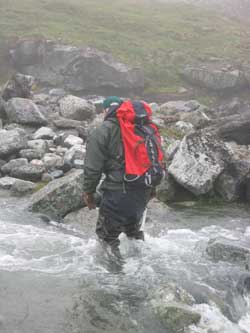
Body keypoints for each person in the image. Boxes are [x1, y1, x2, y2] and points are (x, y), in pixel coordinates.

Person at [83, 96, 161, 257]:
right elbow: (153, 159)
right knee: (133, 235)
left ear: (105, 111)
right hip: (143, 190)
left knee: (107, 240)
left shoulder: (102, 131)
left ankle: (115, 279)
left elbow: (93, 168)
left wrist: (88, 193)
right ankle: (144, 268)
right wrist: (152, 189)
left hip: (118, 193)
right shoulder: (144, 129)